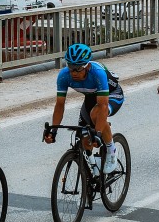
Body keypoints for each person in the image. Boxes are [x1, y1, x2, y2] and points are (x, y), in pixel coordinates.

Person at [43, 42, 124, 170]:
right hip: (91, 97)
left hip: (113, 95)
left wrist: (98, 132)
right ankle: (94, 169)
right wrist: (53, 130)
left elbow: (103, 106)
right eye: (71, 67)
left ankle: (111, 150)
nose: (74, 72)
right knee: (84, 136)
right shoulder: (64, 75)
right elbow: (59, 105)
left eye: (78, 68)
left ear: (87, 66)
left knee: (96, 115)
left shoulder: (97, 73)